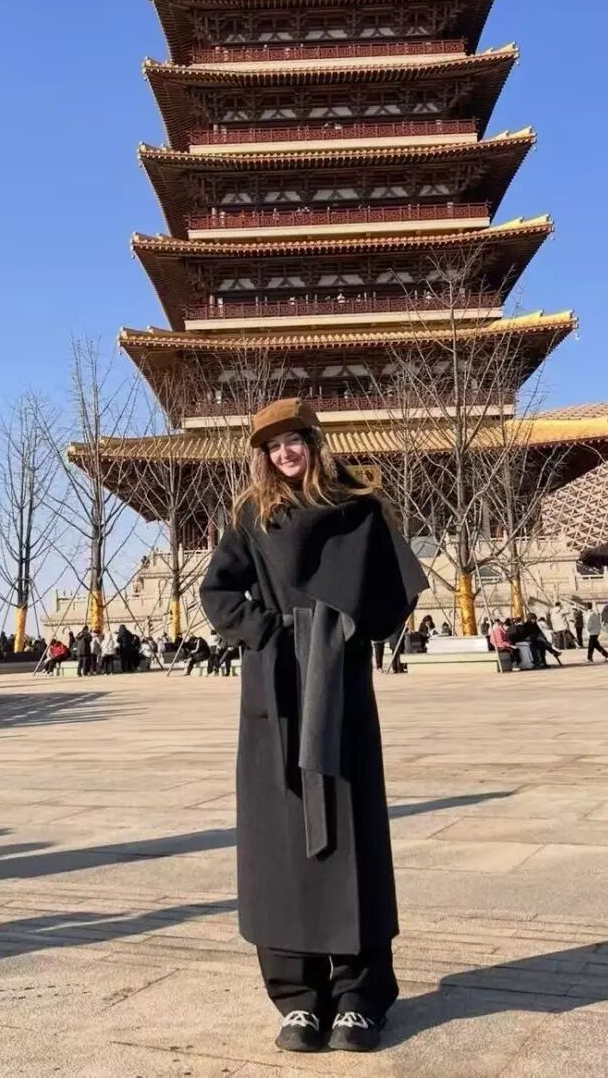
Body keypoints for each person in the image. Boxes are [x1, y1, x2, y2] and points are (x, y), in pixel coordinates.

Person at [200, 398, 425, 1053]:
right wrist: (270, 631)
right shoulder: (252, 514)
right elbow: (218, 591)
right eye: (272, 447)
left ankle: (360, 995)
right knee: (279, 844)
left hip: (340, 686)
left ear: (313, 441)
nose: (284, 454)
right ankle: (297, 997)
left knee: (353, 837)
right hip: (274, 689)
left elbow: (396, 589)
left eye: (293, 440)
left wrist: (348, 626)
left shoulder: (358, 505)